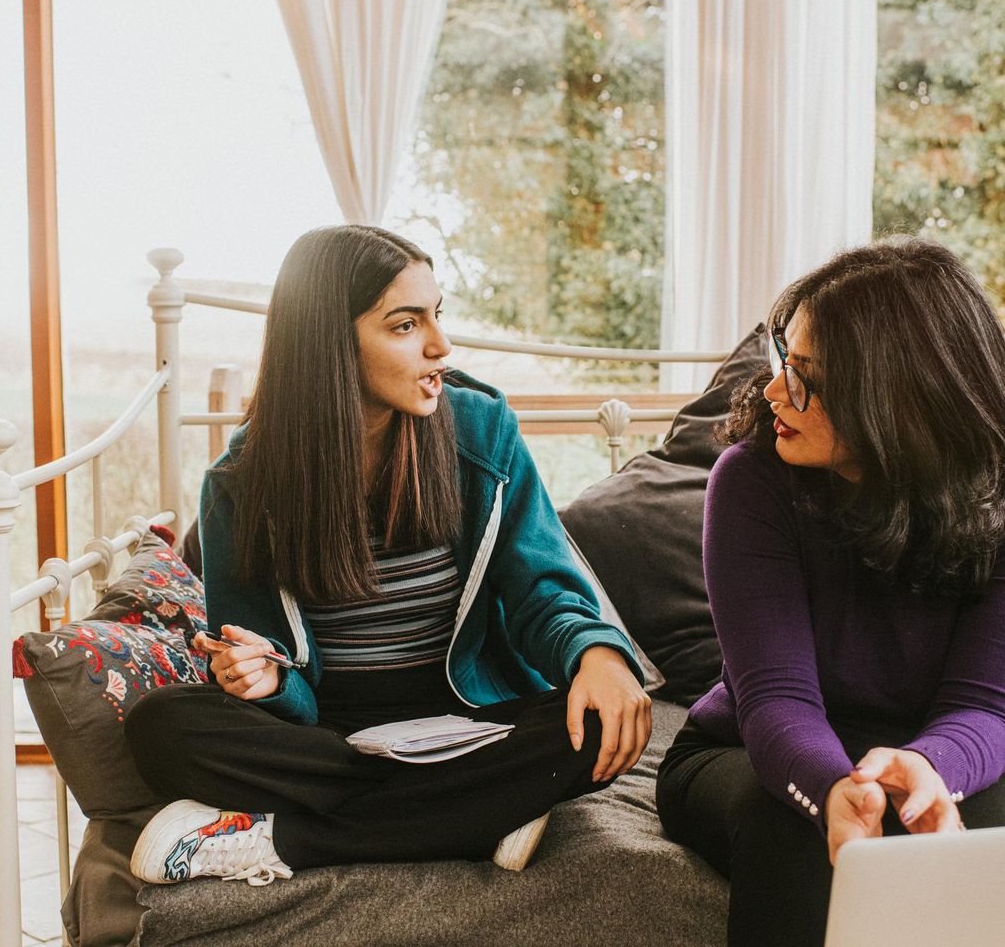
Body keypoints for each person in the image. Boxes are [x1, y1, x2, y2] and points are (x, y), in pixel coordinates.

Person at [125, 224, 652, 886]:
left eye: (437, 316)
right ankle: (481, 808)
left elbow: (541, 592)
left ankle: (285, 838)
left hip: (472, 717)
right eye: (405, 325)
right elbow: (270, 665)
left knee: (602, 723)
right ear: (328, 344)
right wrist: (265, 677)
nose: (440, 346)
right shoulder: (240, 488)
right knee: (161, 728)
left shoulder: (482, 432)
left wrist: (596, 654)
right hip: (331, 732)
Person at [655, 239, 1005, 947]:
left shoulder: (996, 491)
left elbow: (986, 702)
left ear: (899, 397)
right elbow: (777, 699)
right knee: (789, 828)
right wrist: (836, 789)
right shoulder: (752, 480)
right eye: (786, 362)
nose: (775, 392)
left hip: (935, 747)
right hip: (754, 752)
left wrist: (932, 768)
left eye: (809, 378)